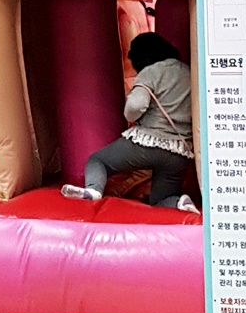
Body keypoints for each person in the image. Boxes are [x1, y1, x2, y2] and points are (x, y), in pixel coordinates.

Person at [62, 32, 198, 211]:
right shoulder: (189, 73)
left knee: (98, 161)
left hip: (149, 143)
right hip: (180, 151)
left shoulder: (151, 72)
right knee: (160, 199)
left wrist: (130, 115)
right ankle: (179, 202)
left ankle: (93, 190)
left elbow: (135, 107)